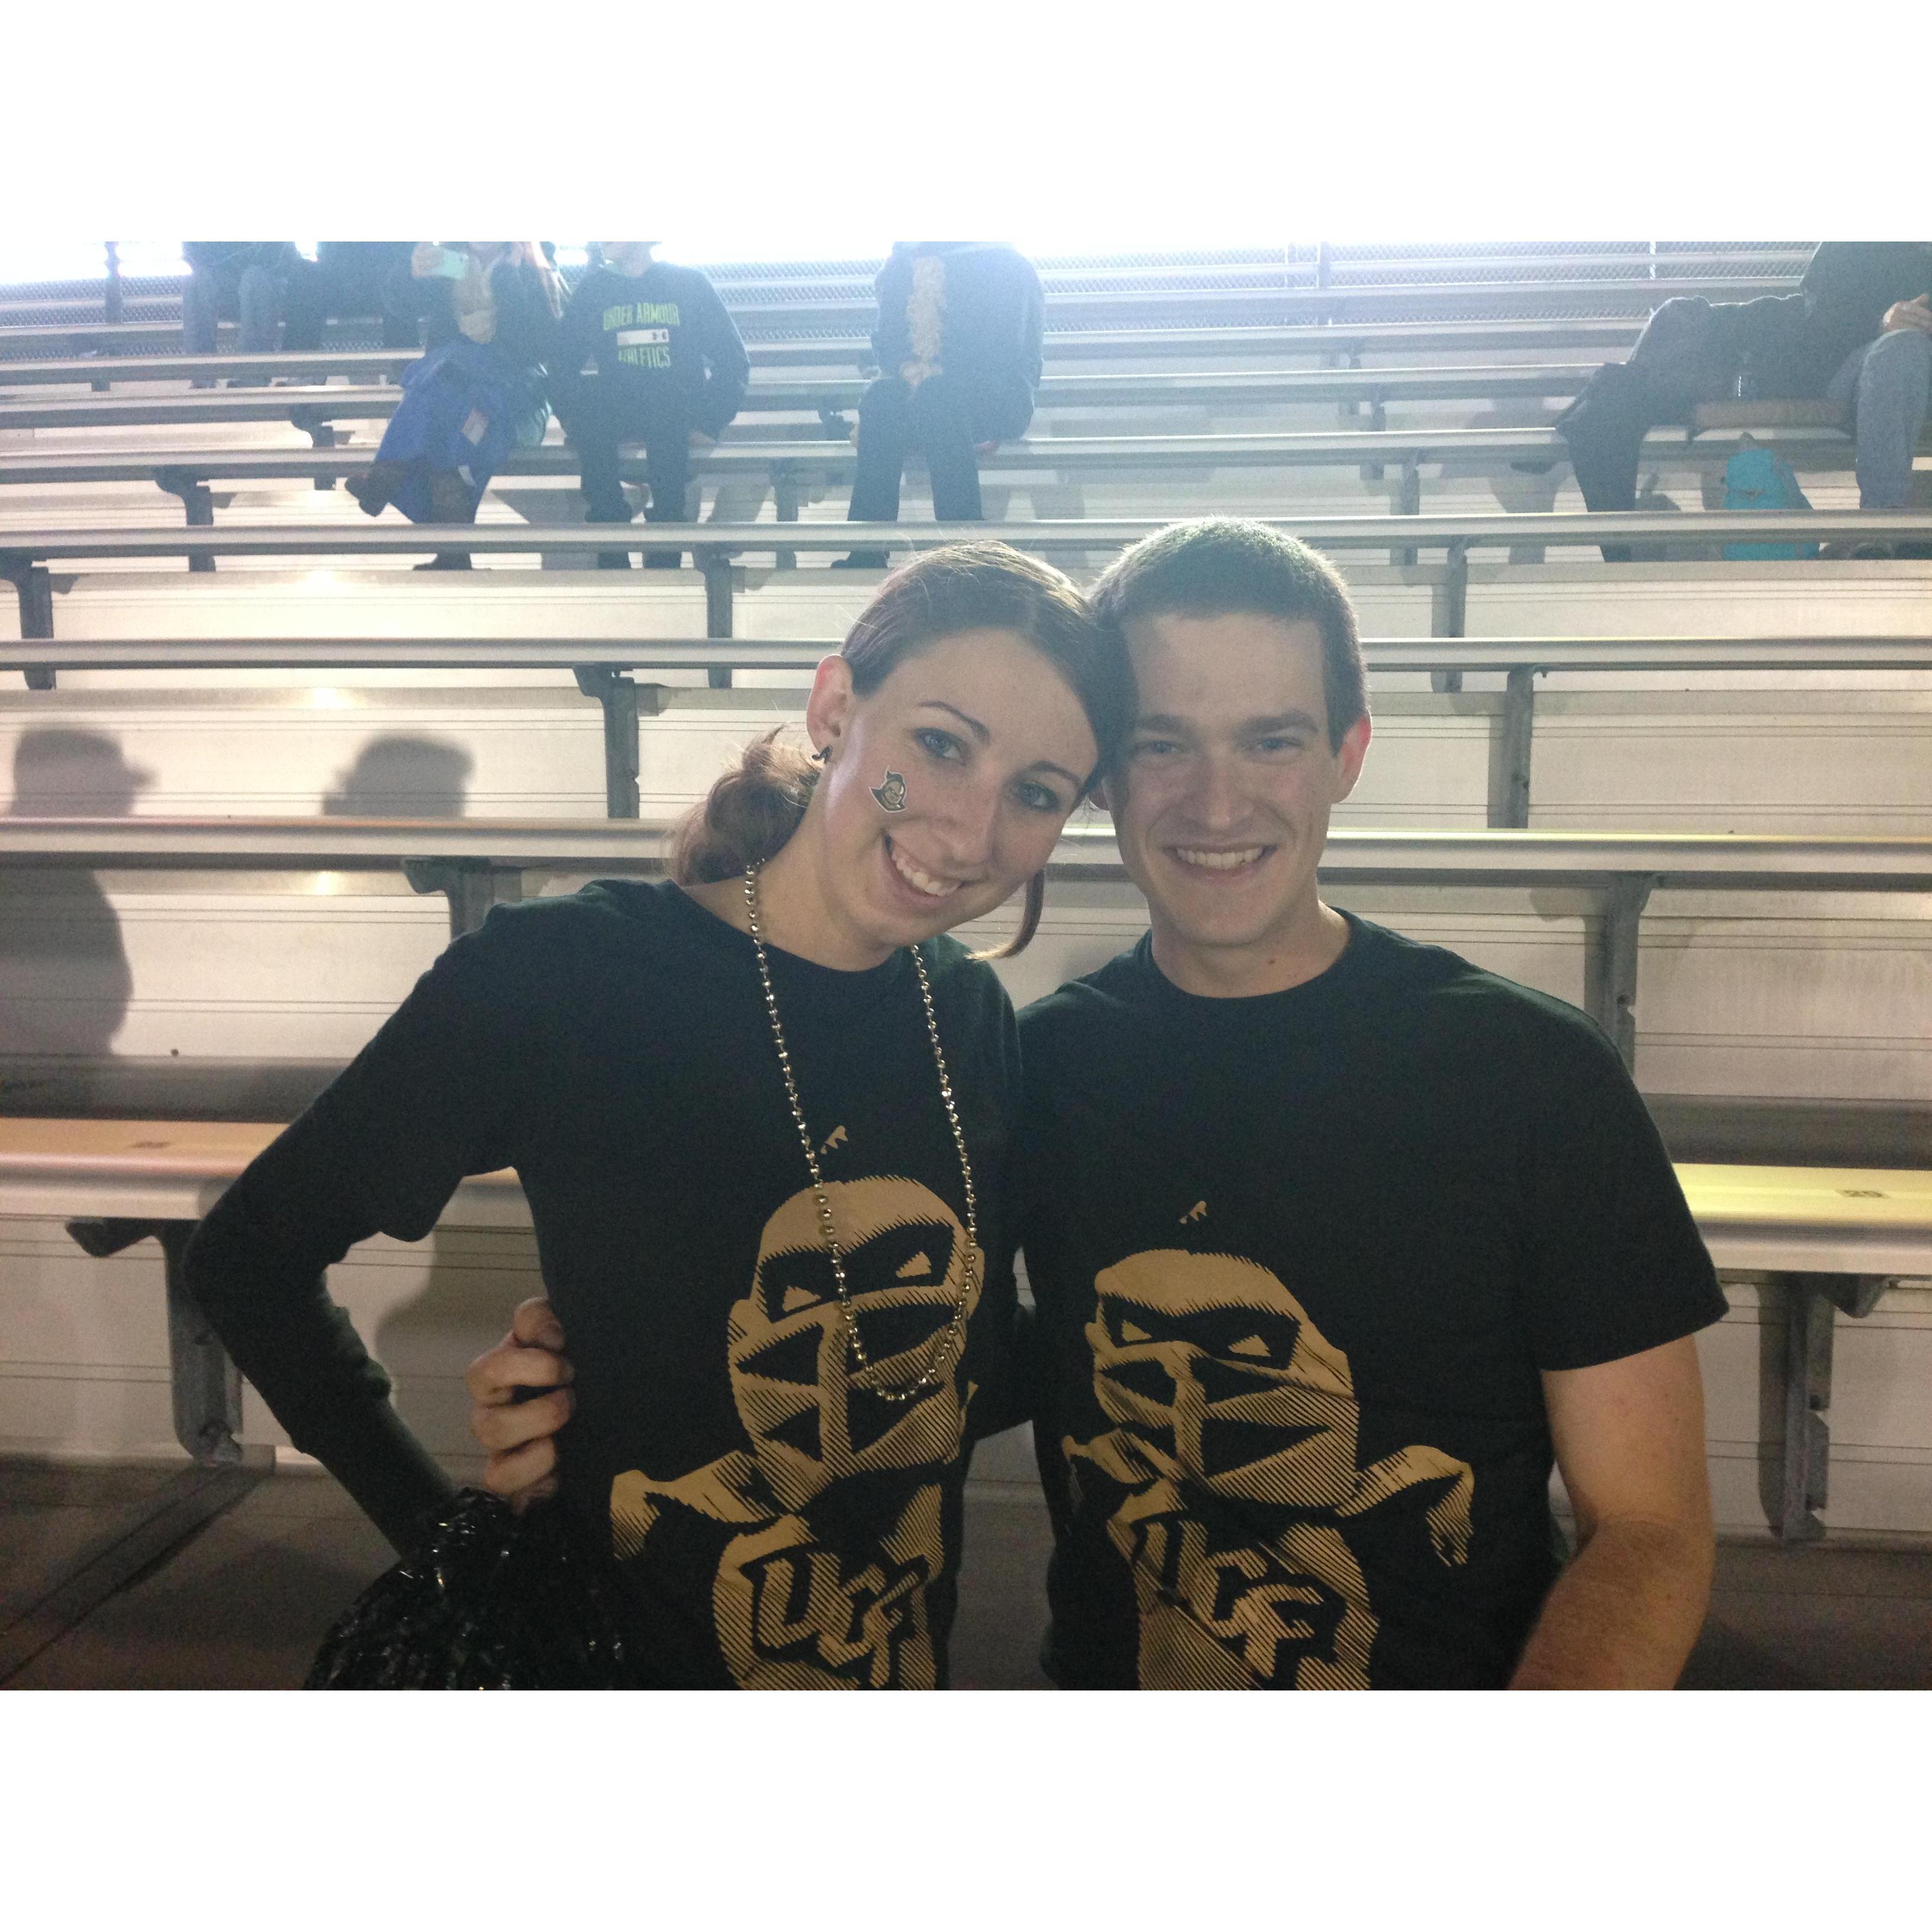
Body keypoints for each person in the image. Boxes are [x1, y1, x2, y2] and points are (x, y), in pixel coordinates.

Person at [474, 519, 1725, 1690]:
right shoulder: (1038, 1065)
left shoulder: (1533, 1077)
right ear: (1102, 783)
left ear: (1349, 753)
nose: (1217, 802)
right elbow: (958, 1357)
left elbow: (1652, 1530)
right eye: (1161, 745)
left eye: (1273, 740)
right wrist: (603, 1377)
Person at [181, 543, 1136, 1690]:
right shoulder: (566, 976)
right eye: (940, 745)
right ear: (835, 706)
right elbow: (249, 1256)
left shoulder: (967, 1018)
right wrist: (444, 1540)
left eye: (1036, 794)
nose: (973, 833)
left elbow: (970, 1369)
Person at [1556, 242, 1932, 559]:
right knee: (1899, 348)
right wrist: (1881, 321)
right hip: (1869, 367)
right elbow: (1819, 321)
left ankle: (1886, 526)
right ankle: (1883, 525)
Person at [345, 243, 565, 569]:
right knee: (435, 392)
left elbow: (538, 345)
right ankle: (452, 551)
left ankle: (390, 470)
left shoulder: (530, 265)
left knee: (447, 408)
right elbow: (402, 304)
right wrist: (412, 272)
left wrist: (508, 279)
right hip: (453, 391)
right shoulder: (453, 262)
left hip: (508, 398)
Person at [839, 242, 1045, 568]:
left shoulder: (1005, 262)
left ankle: (964, 546)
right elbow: (887, 339)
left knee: (938, 395)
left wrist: (936, 375)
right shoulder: (901, 265)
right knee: (880, 399)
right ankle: (866, 548)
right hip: (920, 387)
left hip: (994, 391)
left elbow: (1004, 347)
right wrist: (910, 370)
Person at [550, 241, 750, 569]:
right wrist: (573, 420)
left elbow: (733, 361)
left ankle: (664, 561)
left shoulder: (688, 284)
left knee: (665, 406)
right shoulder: (595, 289)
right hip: (617, 408)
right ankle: (612, 557)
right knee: (594, 411)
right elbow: (561, 364)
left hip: (672, 411)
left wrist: (708, 422)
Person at [181, 242, 299, 378]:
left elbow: (280, 260)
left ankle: (252, 375)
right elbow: (193, 254)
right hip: (225, 285)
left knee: (254, 278)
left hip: (269, 283)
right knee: (196, 280)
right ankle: (201, 375)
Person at [281, 242, 418, 353]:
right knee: (303, 273)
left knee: (401, 277)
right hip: (334, 278)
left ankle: (405, 371)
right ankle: (300, 371)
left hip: (386, 278)